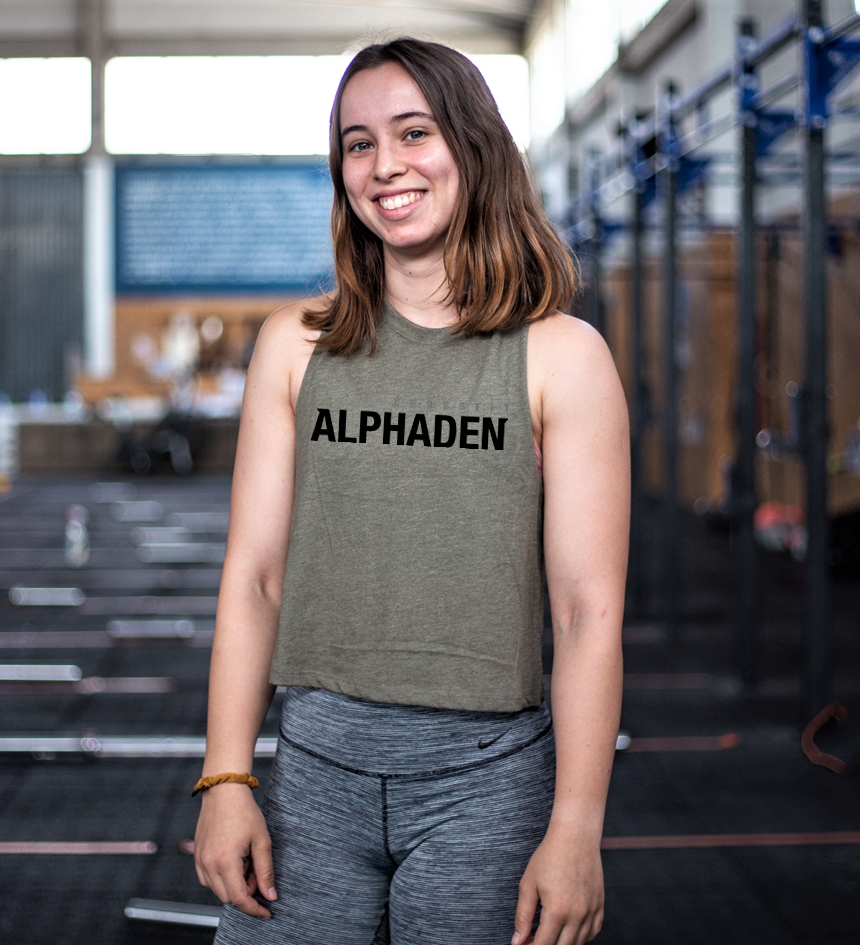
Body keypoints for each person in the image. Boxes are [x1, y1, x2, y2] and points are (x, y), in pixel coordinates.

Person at [193, 37, 629, 945]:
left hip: (487, 783)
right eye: (357, 143)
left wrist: (577, 826)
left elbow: (587, 610)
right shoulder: (295, 347)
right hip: (313, 771)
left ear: (471, 146)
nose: (384, 164)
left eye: (412, 132)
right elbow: (254, 578)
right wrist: (226, 779)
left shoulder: (560, 358)